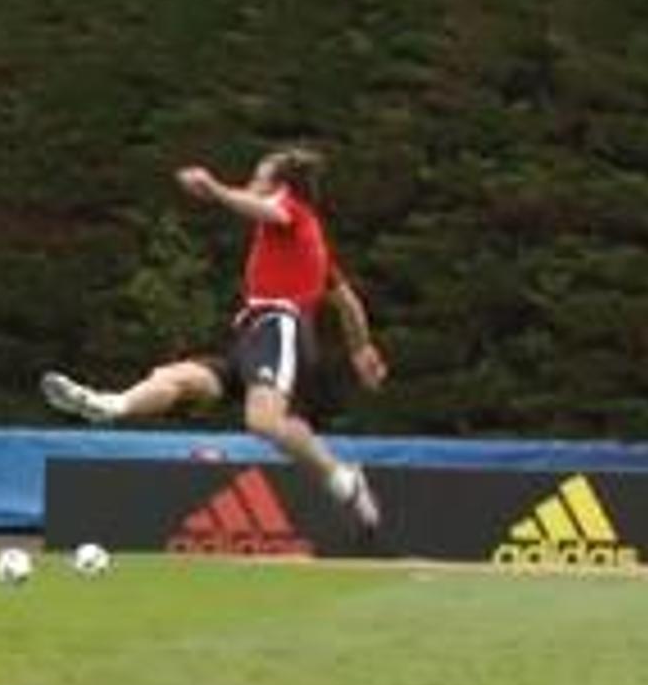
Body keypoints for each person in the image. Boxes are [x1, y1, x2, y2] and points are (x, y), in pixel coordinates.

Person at [40, 147, 389, 529]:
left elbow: (266, 209)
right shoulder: (309, 243)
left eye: (258, 177)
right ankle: (109, 406)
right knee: (176, 378)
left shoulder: (292, 212)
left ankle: (340, 476)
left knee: (263, 422)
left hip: (279, 327)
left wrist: (215, 189)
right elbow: (348, 303)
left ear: (280, 187)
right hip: (249, 336)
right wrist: (360, 348)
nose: (251, 184)